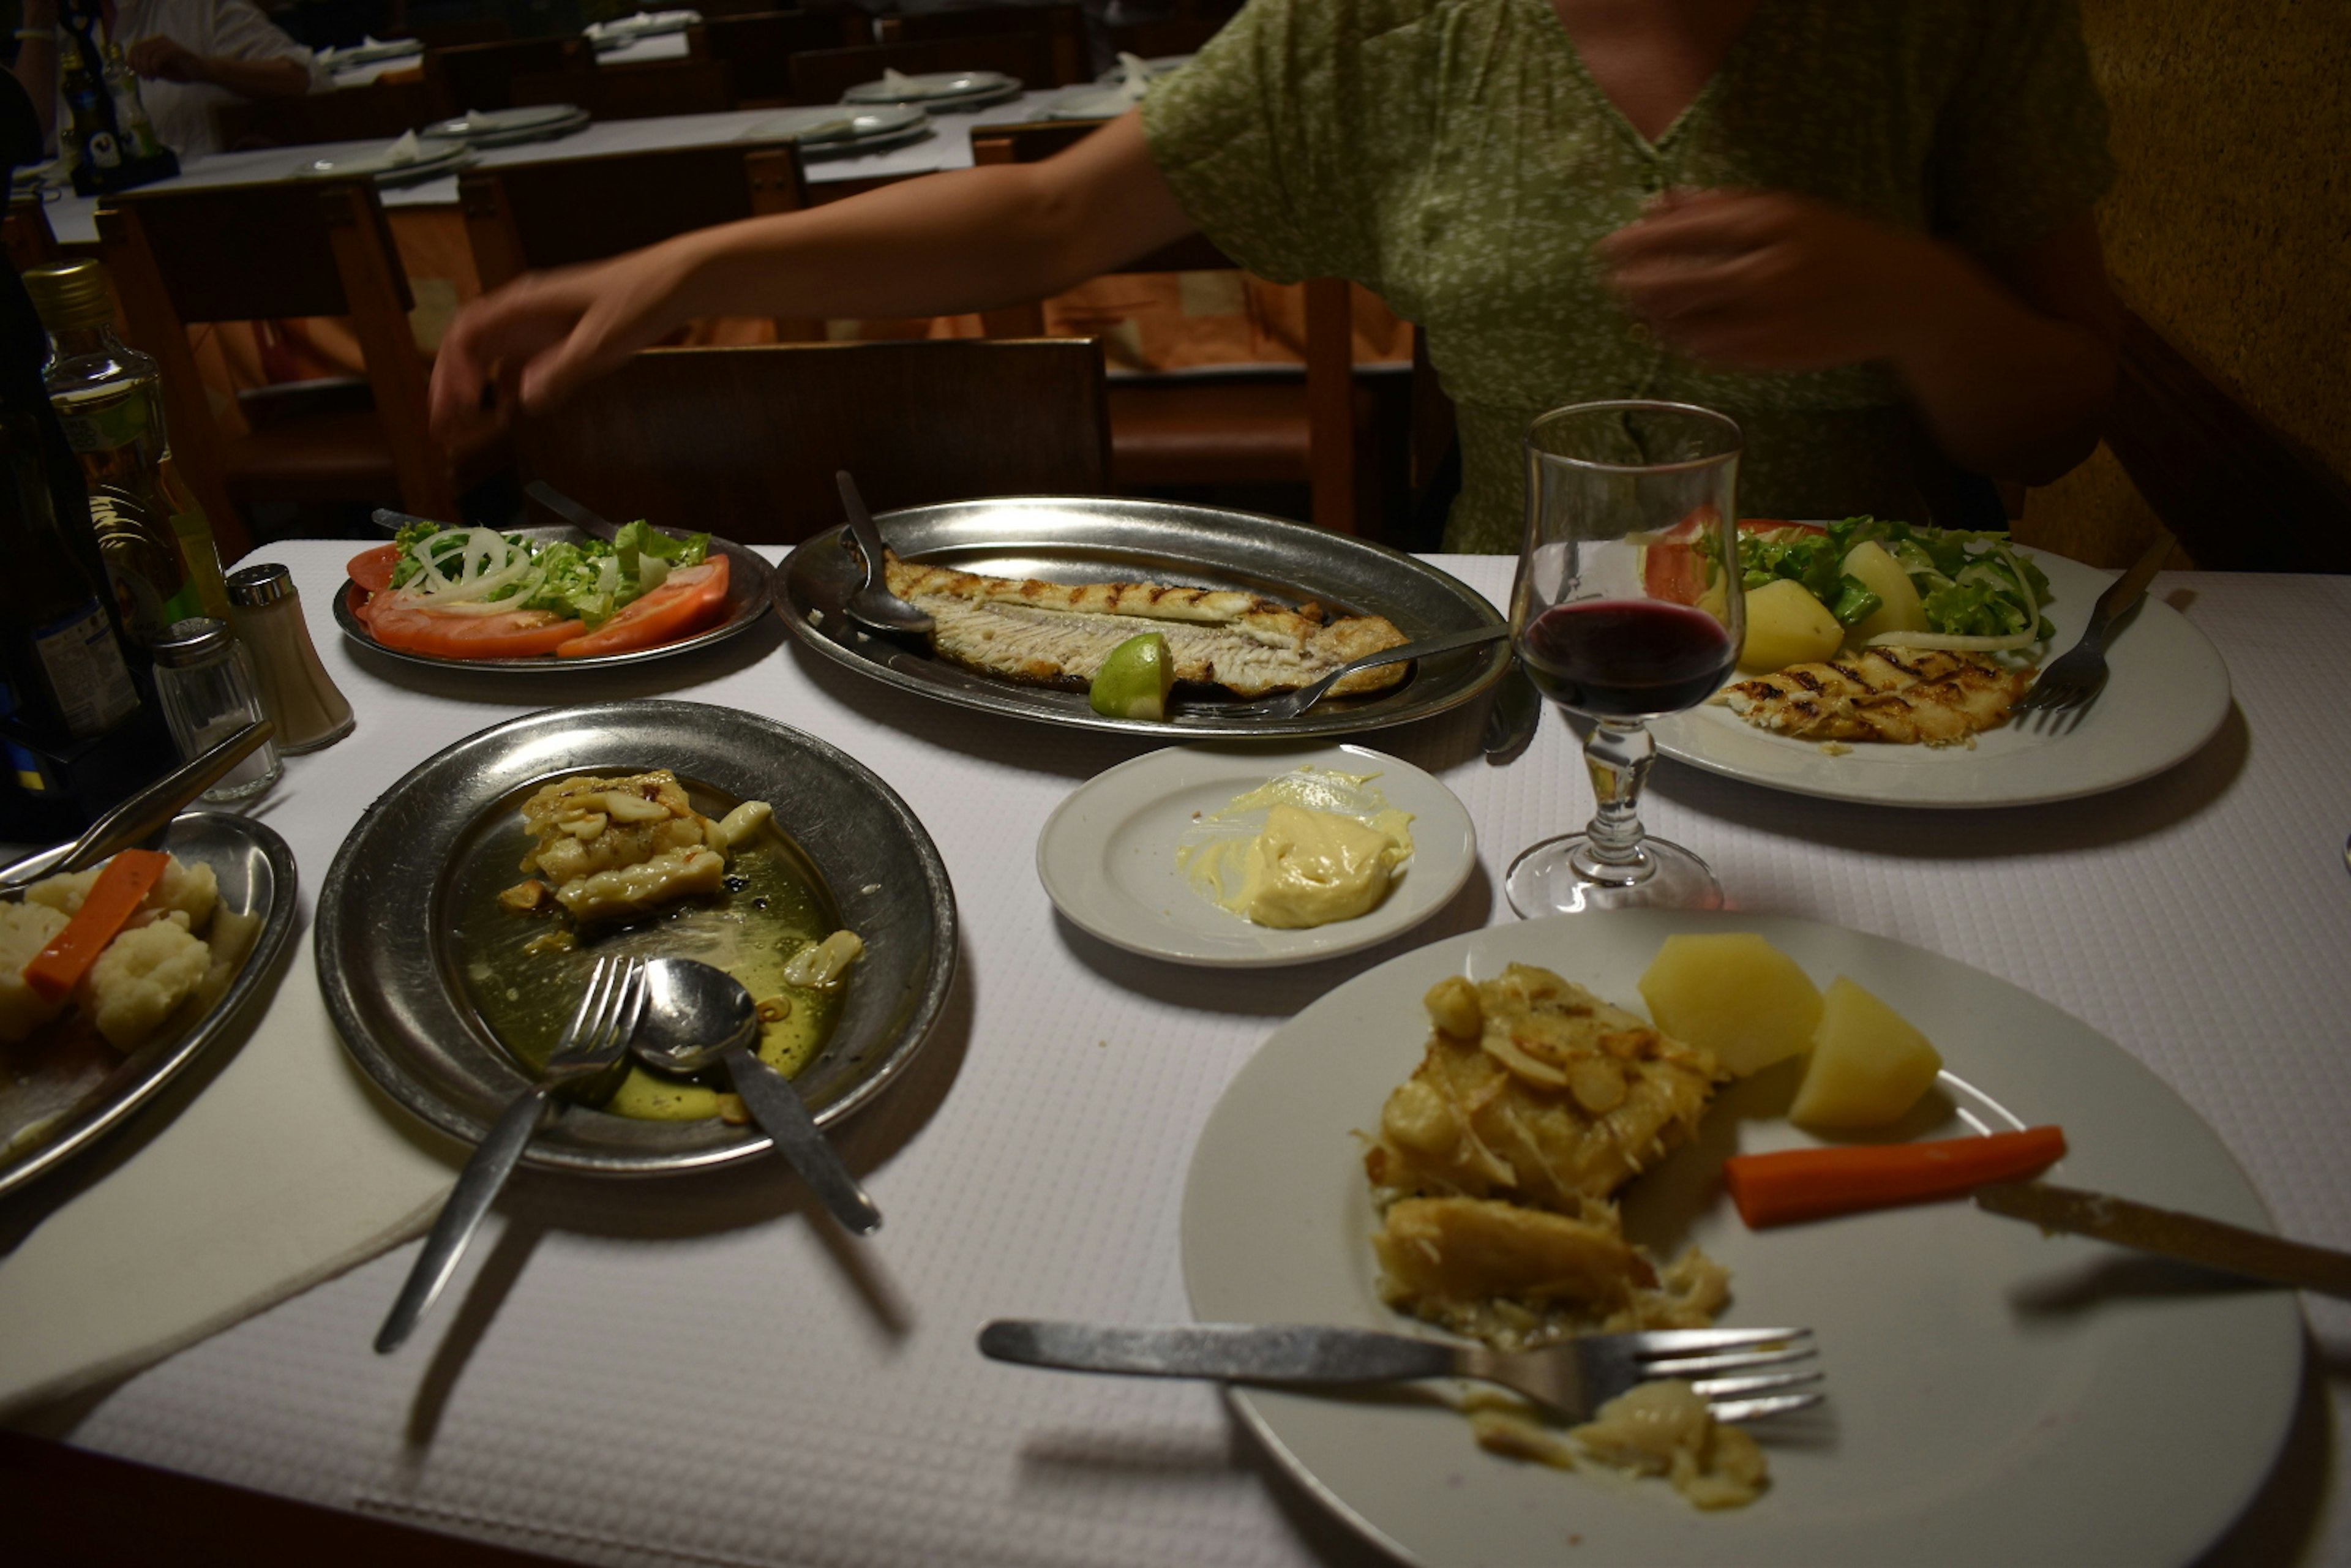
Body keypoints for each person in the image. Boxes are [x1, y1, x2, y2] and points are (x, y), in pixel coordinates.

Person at [430, 0, 2123, 552]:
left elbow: (2057, 415)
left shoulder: (1950, 23)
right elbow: (1044, 226)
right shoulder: (1383, 29)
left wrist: (1916, 300)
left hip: (1921, 677)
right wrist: (684, 267)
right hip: (1540, 643)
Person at [10, 0, 323, 162]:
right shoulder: (63, 33)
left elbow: (304, 78)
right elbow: (26, 139)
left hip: (200, 214)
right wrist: (36, 25)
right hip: (93, 231)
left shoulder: (191, 8)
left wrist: (206, 69)